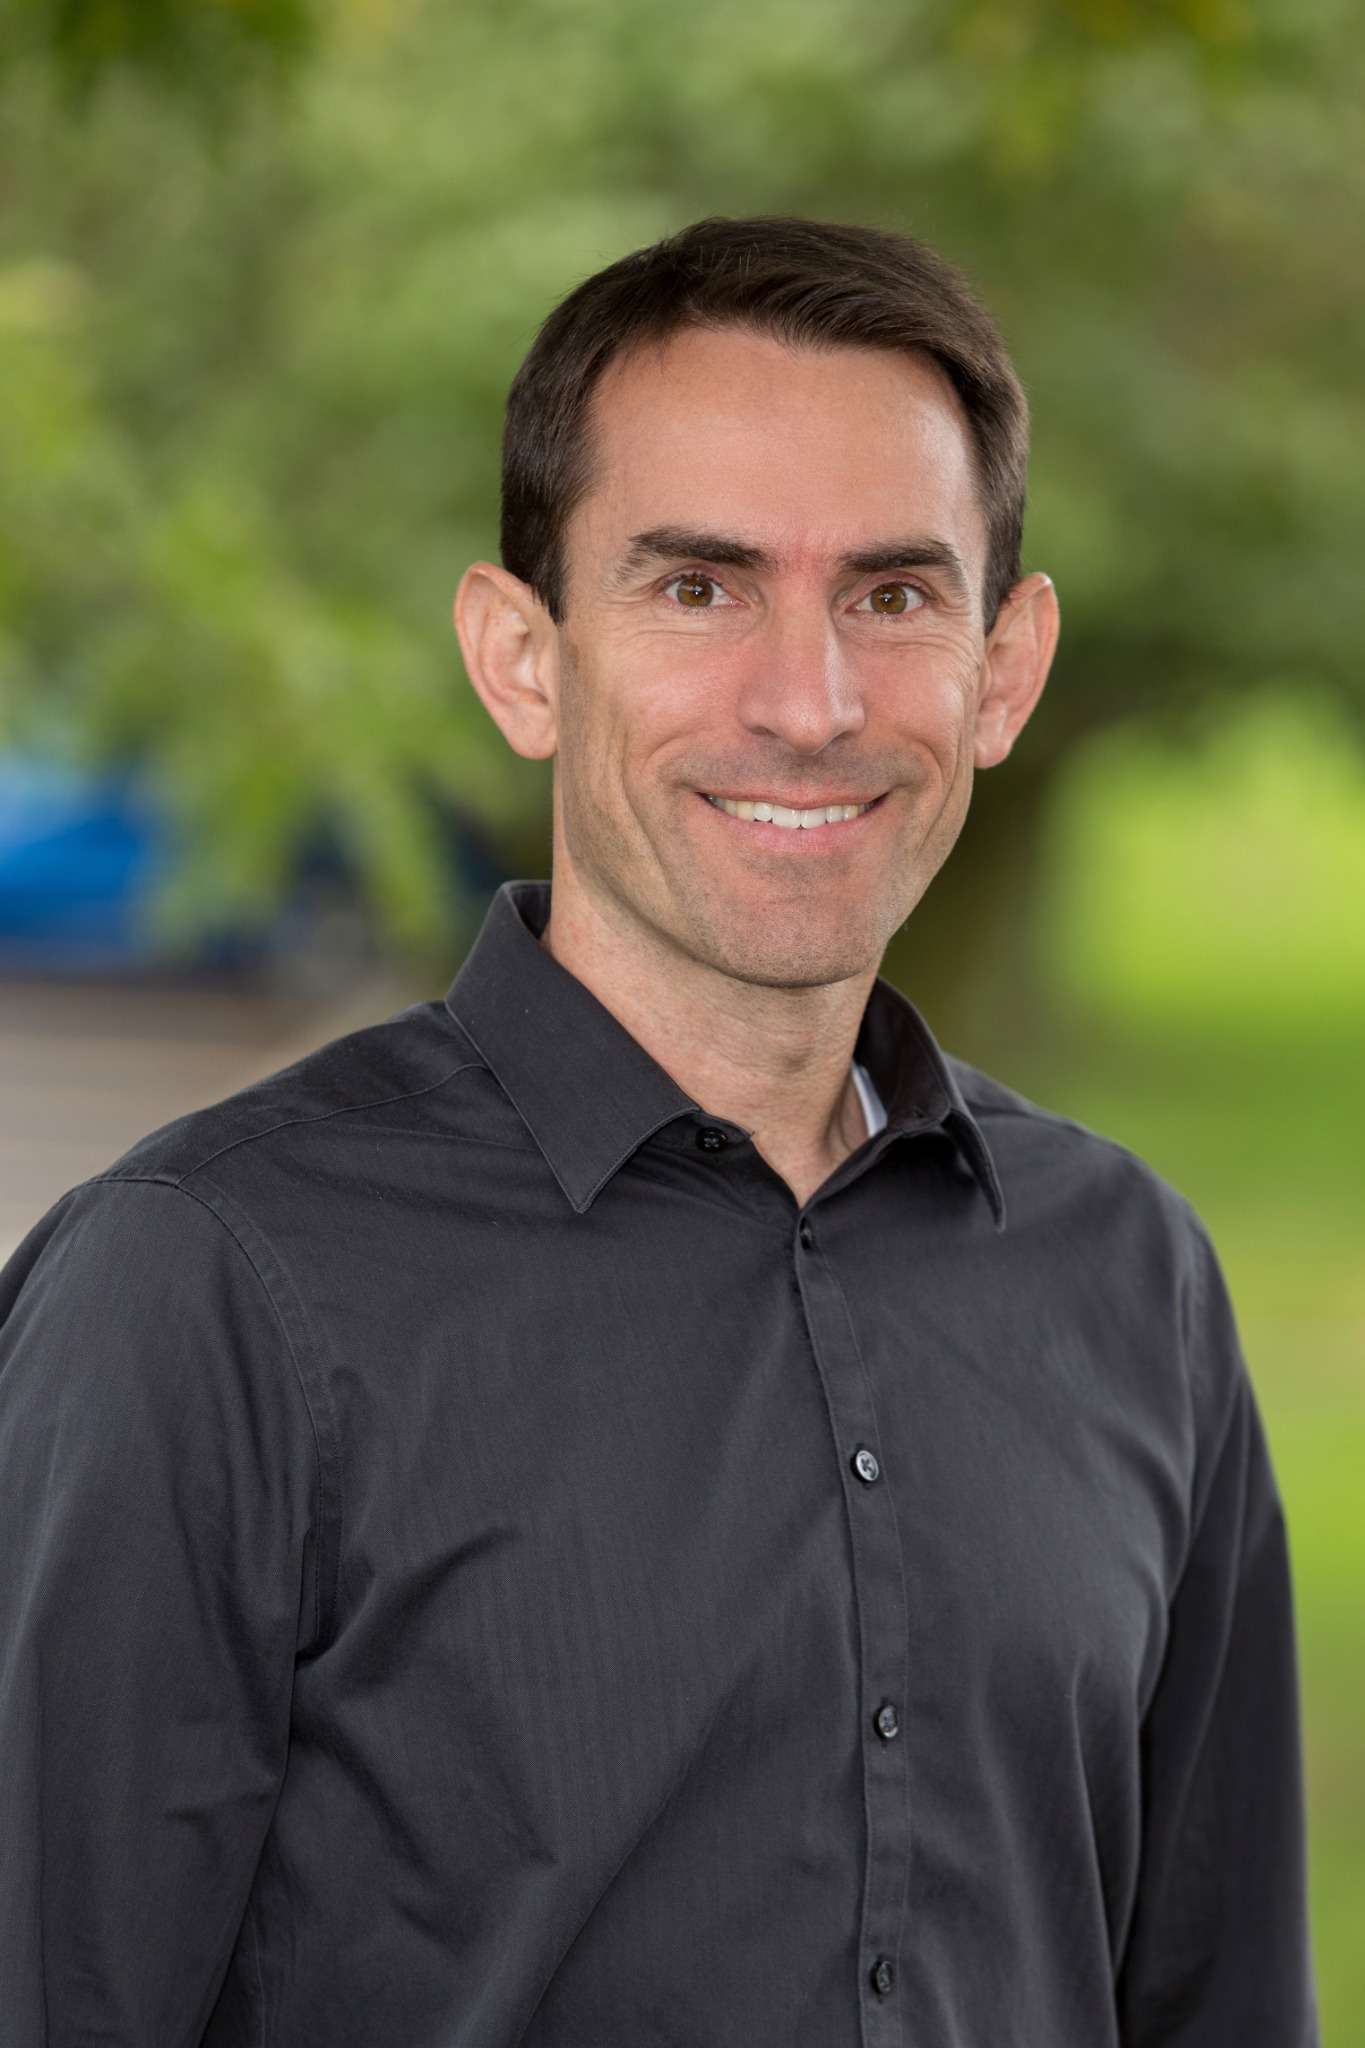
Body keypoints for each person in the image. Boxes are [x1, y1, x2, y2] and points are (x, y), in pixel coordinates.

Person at [0, 215, 1319, 2046]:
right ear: (521, 658)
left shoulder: (1127, 1280)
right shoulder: (201, 1288)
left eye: (893, 596)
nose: (808, 703)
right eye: (698, 589)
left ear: (1004, 668)